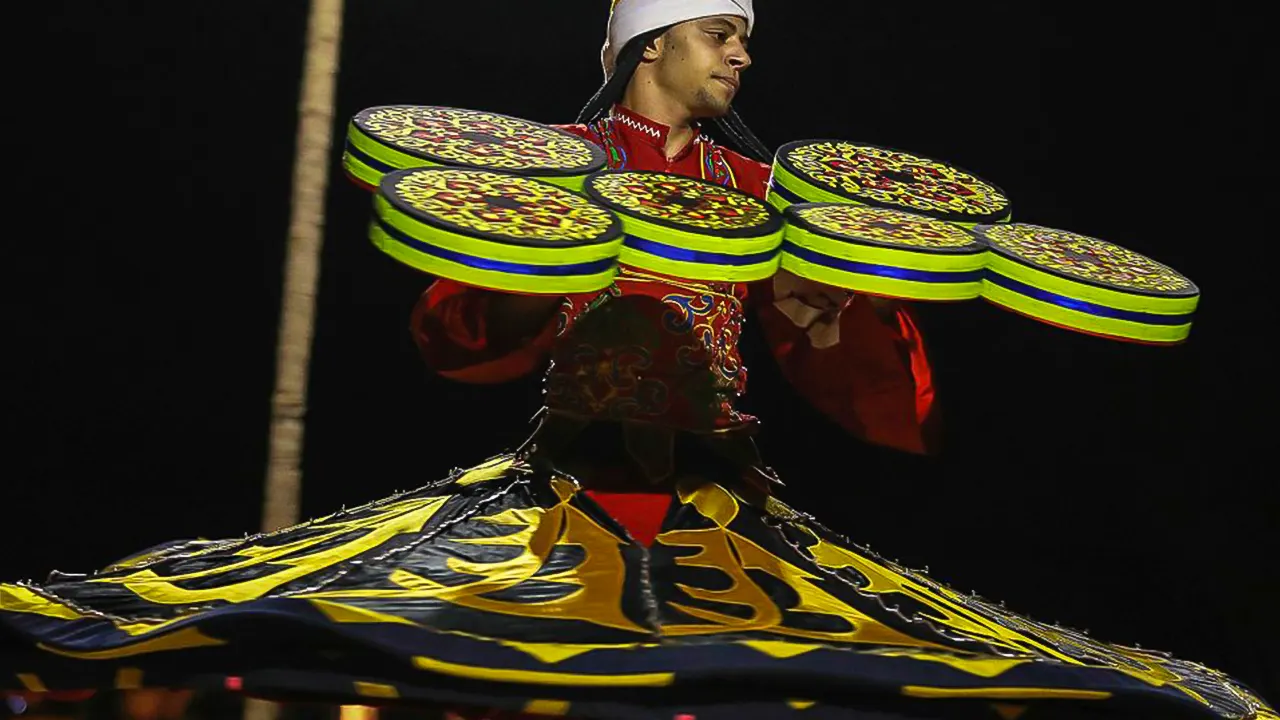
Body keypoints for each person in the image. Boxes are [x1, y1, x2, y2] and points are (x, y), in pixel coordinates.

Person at [1, 2, 1272, 719]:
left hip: (723, 498)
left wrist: (832, 311)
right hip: (565, 493)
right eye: (719, 33)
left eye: (745, 41)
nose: (739, 56)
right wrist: (521, 271)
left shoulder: (768, 193)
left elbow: (845, 364)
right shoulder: (551, 167)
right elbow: (459, 334)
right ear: (649, 44)